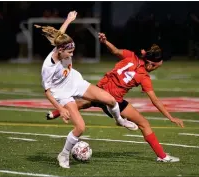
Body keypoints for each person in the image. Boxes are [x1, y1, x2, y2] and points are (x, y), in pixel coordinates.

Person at [47, 32, 185, 163]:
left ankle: (56, 112)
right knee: (144, 124)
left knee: (85, 103)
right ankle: (162, 156)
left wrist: (105, 41)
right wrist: (170, 117)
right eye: (156, 67)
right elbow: (155, 101)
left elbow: (115, 51)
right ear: (150, 63)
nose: (155, 69)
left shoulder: (131, 56)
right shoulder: (144, 76)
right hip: (112, 102)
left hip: (100, 90)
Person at [37, 11, 137, 169]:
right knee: (80, 127)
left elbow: (60, 34)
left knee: (110, 100)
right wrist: (60, 109)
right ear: (60, 51)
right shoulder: (48, 67)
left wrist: (69, 19)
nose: (72, 54)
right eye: (69, 52)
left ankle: (119, 120)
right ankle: (63, 155)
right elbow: (47, 92)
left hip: (75, 81)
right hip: (62, 93)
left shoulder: (61, 45)